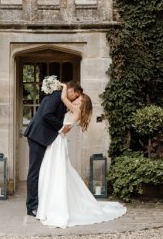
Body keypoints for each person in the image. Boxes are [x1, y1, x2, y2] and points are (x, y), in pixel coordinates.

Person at [35, 83, 126, 228]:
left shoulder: (76, 110)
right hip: (58, 141)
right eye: (78, 97)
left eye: (79, 98)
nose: (76, 99)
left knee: (56, 171)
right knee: (55, 170)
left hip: (58, 142)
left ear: (83, 103)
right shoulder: (76, 112)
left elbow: (64, 98)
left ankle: (55, 207)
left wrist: (63, 86)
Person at [24, 81, 83, 216]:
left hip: (44, 138)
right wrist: (62, 128)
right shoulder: (56, 96)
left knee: (43, 171)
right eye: (76, 96)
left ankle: (41, 203)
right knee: (34, 172)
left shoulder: (61, 98)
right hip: (37, 136)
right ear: (72, 90)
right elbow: (46, 115)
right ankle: (31, 206)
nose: (74, 99)